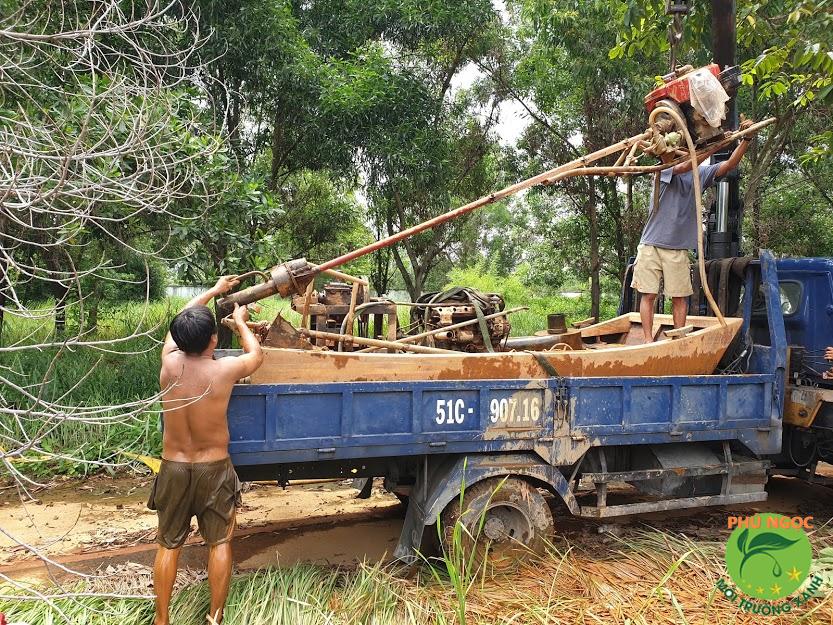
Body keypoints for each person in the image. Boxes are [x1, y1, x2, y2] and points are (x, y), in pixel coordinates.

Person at [150, 276, 264, 625]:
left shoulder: (168, 363)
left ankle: (162, 620)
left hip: (173, 466)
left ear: (180, 339)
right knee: (219, 544)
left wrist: (213, 291)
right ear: (214, 339)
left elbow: (183, 318)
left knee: (168, 545)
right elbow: (256, 355)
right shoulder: (224, 370)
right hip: (214, 468)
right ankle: (215, 616)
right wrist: (242, 323)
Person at [632, 119, 757, 342]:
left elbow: (728, 165)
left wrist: (745, 139)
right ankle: (648, 340)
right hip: (651, 243)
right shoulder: (664, 169)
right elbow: (683, 166)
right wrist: (716, 146)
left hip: (678, 247)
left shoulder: (701, 172)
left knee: (680, 296)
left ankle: (679, 339)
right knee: (648, 294)